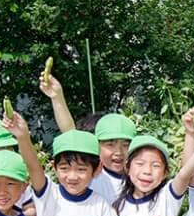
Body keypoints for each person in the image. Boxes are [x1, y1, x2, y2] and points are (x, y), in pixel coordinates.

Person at [39, 72, 136, 203]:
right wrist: (57, 97)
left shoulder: (140, 177)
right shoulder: (93, 174)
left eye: (126, 145)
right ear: (96, 146)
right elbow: (70, 134)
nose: (118, 152)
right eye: (110, 144)